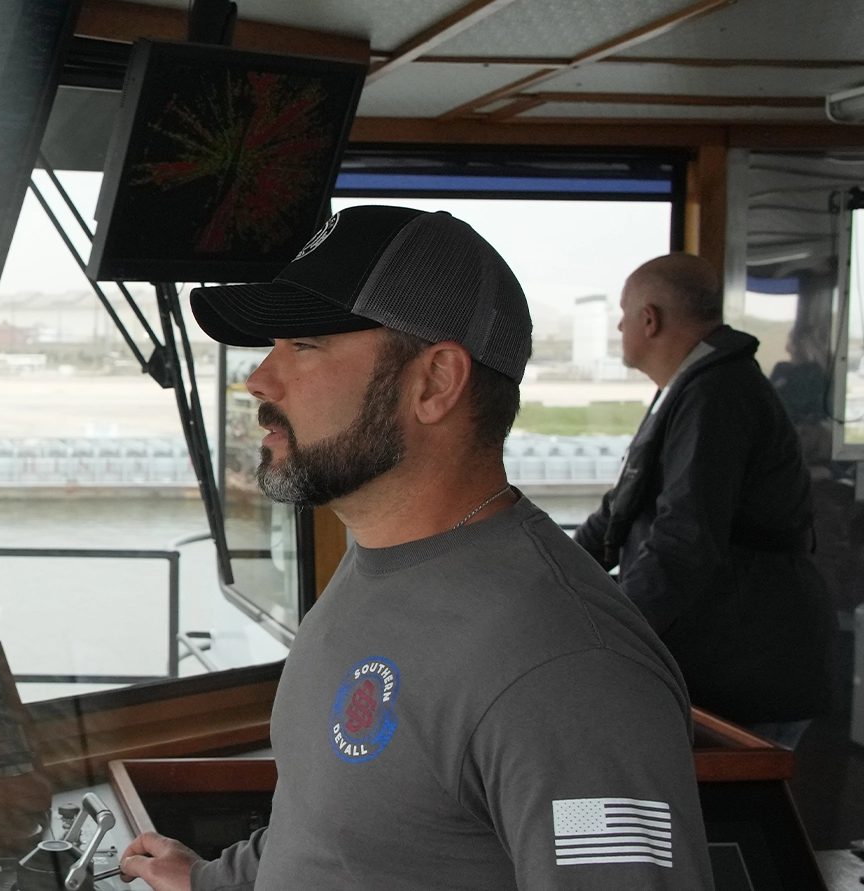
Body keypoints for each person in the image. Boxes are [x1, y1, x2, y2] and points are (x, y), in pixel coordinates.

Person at [122, 206, 710, 890]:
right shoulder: (374, 565)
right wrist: (212, 881)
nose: (260, 380)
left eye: (304, 345)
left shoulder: (569, 668)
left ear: (434, 383)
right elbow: (337, 829)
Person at [573, 253, 835, 746]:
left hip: (752, 659)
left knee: (732, 818)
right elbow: (621, 510)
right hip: (734, 648)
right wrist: (549, 573)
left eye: (625, 313)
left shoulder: (717, 394)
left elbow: (684, 539)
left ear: (650, 320)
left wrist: (614, 636)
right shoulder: (692, 387)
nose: (620, 324)